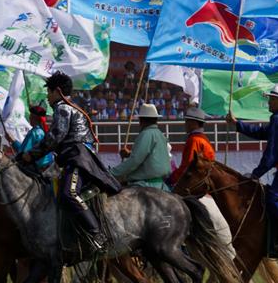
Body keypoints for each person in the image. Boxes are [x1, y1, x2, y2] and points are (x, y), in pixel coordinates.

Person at [24, 72, 121, 251]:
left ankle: (97, 233)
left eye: (49, 92)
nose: (47, 96)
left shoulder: (63, 108)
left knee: (69, 193)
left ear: (57, 91)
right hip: (74, 157)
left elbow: (55, 137)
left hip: (77, 159)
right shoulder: (71, 107)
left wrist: (32, 154)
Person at [226, 84, 278, 256]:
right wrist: (237, 125)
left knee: (273, 199)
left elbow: (270, 154)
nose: (269, 102)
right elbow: (262, 132)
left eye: (271, 99)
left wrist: (256, 174)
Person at [110, 103, 170, 189]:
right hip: (162, 186)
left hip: (145, 185)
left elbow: (134, 161)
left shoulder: (146, 134)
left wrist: (111, 172)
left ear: (141, 120)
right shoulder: (161, 135)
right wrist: (129, 154)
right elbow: (152, 156)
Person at [167, 105, 216, 187]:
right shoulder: (203, 138)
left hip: (197, 182)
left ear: (194, 123)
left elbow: (187, 167)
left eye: (187, 121)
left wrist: (171, 179)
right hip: (204, 178)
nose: (185, 124)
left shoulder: (194, 140)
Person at [15, 105, 54, 174]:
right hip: (48, 166)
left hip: (38, 167)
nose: (29, 118)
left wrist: (13, 142)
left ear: (33, 118)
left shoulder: (35, 133)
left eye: (30, 116)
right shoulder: (41, 131)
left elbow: (24, 153)